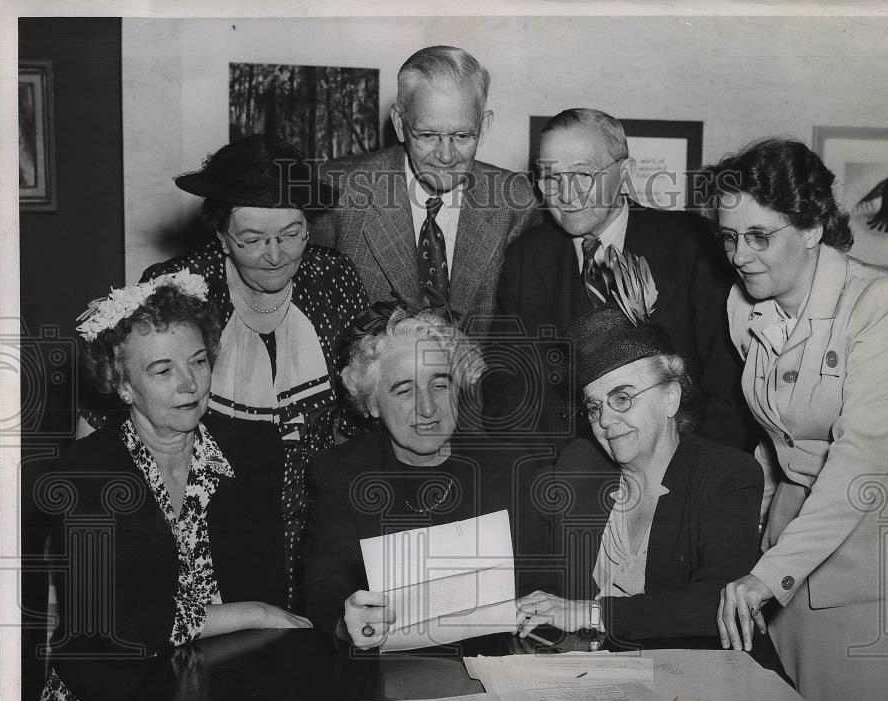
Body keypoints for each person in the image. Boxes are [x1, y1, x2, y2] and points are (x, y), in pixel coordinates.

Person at [707, 138, 888, 701]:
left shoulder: (881, 306)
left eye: (760, 237)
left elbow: (858, 463)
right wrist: (760, 530)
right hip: (794, 562)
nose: (740, 256)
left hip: (884, 577)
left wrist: (768, 574)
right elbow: (778, 434)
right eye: (730, 237)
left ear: (815, 225)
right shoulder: (745, 306)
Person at [27, 274, 311, 701]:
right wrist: (259, 613)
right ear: (122, 385)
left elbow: (267, 576)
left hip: (221, 688)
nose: (190, 384)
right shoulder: (79, 476)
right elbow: (121, 624)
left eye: (198, 362)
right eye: (162, 370)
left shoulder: (253, 449)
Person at [138, 134, 369, 611]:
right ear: (221, 234)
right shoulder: (177, 288)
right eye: (252, 239)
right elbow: (116, 421)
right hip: (213, 511)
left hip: (318, 508)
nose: (275, 254)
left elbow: (364, 392)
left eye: (291, 234)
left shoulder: (335, 277)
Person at [484, 108, 755, 450]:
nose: (566, 194)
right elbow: (506, 386)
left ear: (625, 173)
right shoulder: (526, 257)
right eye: (551, 177)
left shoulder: (691, 244)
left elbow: (730, 388)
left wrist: (692, 478)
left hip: (683, 466)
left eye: (582, 174)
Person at [304, 307, 551, 647]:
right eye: (404, 390)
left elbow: (542, 584)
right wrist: (344, 620)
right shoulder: (343, 473)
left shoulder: (507, 467)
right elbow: (325, 581)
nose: (429, 408)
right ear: (373, 403)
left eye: (439, 384)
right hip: (387, 676)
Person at [516, 305, 763, 641]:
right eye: (594, 406)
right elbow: (540, 569)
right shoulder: (580, 466)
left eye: (622, 397)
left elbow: (718, 604)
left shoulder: (726, 475)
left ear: (671, 398)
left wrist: (591, 614)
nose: (604, 420)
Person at [311, 46, 541, 331]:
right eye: (428, 135)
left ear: (485, 125)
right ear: (399, 123)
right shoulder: (339, 192)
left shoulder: (516, 202)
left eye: (463, 135)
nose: (446, 156)